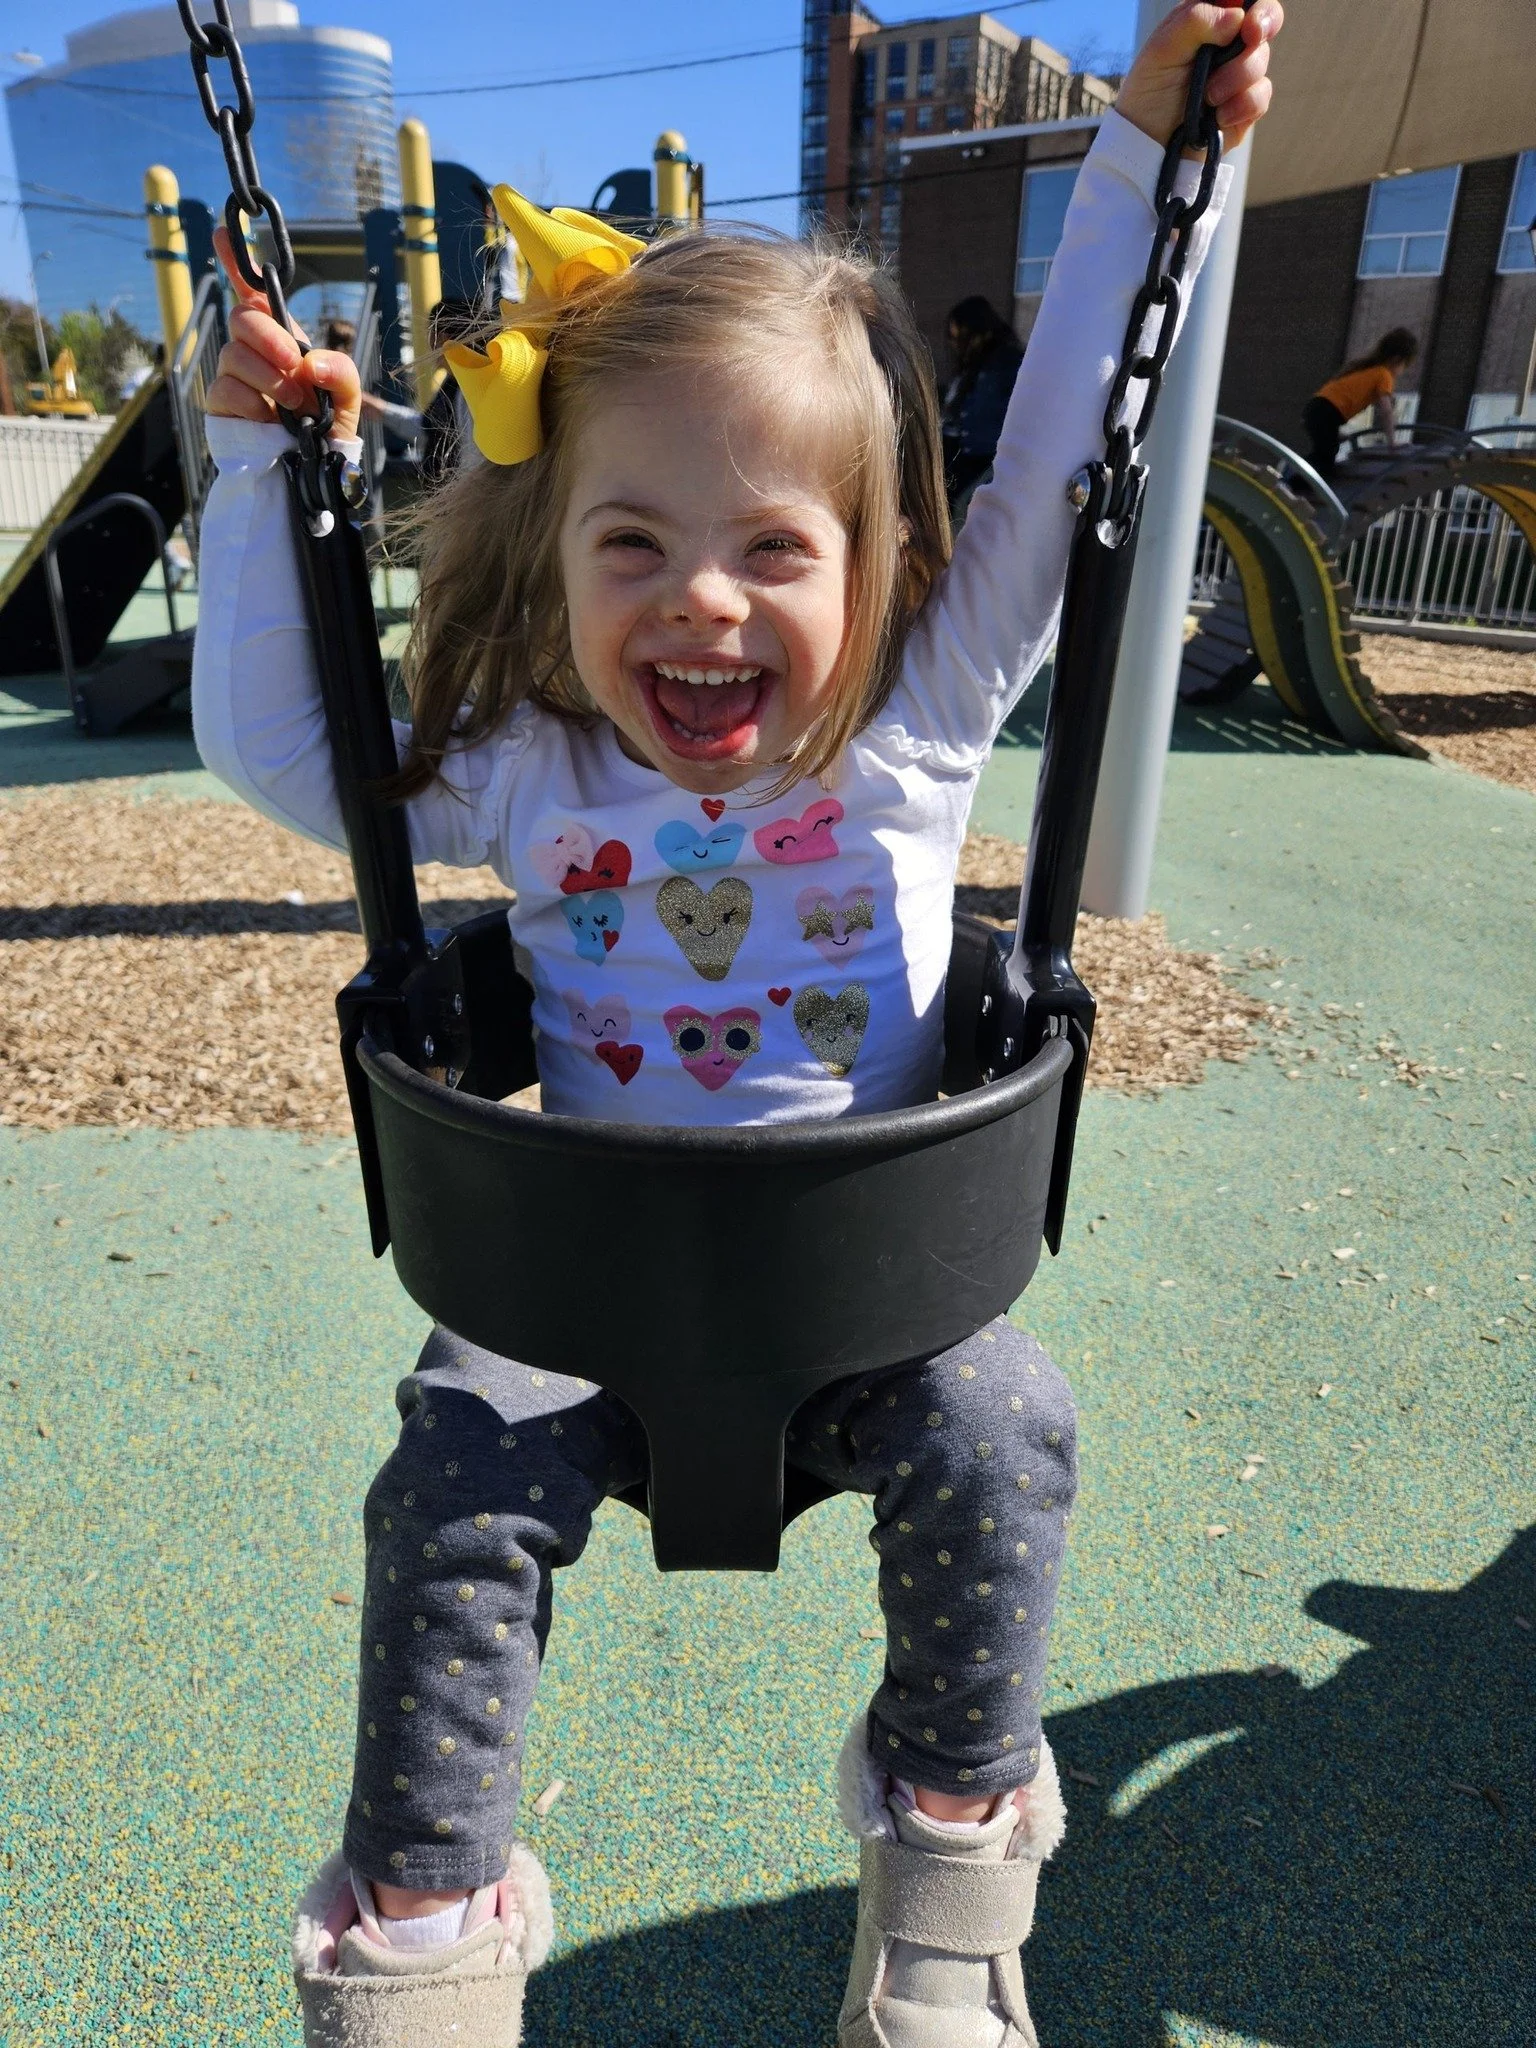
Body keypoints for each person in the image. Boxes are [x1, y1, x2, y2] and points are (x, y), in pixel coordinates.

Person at [196, 8, 1278, 2042]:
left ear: (872, 571)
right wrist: (262, 459)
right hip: (567, 1308)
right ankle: (421, 1946)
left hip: (875, 1298)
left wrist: (1153, 150)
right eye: (637, 542)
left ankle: (951, 1889)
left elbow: (1063, 450)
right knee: (437, 1506)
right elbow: (286, 744)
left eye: (773, 546)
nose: (702, 601)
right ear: (555, 552)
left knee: (1006, 1425)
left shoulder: (918, 729)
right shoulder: (528, 766)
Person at [941, 295, 1024, 513]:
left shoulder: (1006, 363)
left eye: (959, 336)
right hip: (963, 463)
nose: (954, 343)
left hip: (986, 464)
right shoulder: (971, 370)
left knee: (962, 514)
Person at [1303, 327, 1417, 480]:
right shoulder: (1384, 375)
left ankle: (1296, 480)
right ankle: (1292, 484)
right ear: (1397, 360)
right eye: (1405, 366)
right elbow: (1386, 411)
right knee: (1325, 458)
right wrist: (1392, 442)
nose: (1402, 371)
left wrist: (1333, 432)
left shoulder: (1367, 370)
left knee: (1325, 452)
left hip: (1318, 409)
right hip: (1325, 411)